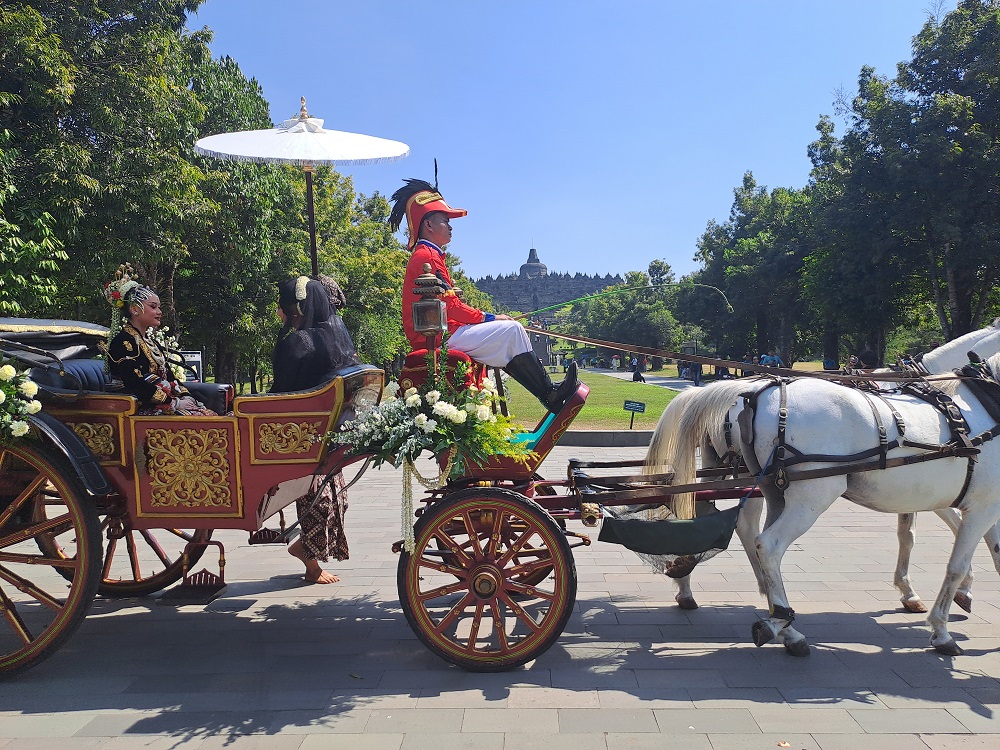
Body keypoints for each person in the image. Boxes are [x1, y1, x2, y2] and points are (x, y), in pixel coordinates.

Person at [390, 178, 578, 413]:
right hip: (438, 336)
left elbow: (451, 305)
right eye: (445, 221)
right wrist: (491, 317)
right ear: (428, 225)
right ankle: (549, 393)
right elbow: (452, 307)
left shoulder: (429, 254)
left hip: (444, 332)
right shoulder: (427, 257)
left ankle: (549, 392)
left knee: (511, 333)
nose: (450, 226)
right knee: (512, 329)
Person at [270, 274, 360, 584]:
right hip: (314, 431)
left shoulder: (301, 340)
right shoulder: (327, 337)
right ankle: (310, 562)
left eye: (282, 307)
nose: (279, 314)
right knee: (322, 497)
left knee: (327, 497)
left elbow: (281, 390)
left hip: (300, 429)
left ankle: (308, 555)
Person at [103, 265, 216, 416]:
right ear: (134, 309)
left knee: (210, 414)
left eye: (159, 307)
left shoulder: (150, 342)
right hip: (142, 407)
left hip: (164, 403)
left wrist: (185, 396)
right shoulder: (123, 343)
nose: (159, 312)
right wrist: (173, 402)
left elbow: (169, 375)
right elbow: (134, 384)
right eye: (153, 307)